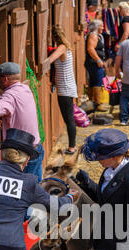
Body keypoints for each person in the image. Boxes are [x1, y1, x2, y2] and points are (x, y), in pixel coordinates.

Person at [0, 62, 44, 181]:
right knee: (35, 188)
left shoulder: (9, 96)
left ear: (5, 79)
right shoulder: (25, 89)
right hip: (37, 148)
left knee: (23, 191)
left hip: (22, 154)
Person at [48, 25, 78, 155]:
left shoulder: (61, 48)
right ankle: (72, 146)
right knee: (68, 118)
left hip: (65, 88)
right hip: (66, 87)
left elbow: (50, 60)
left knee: (69, 119)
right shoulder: (66, 47)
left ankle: (72, 147)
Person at [85, 19, 107, 112]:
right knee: (97, 82)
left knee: (93, 83)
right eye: (101, 26)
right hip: (94, 63)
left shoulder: (97, 36)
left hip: (94, 63)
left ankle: (92, 103)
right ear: (96, 27)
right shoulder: (93, 36)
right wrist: (98, 60)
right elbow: (90, 49)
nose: (103, 28)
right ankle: (97, 103)